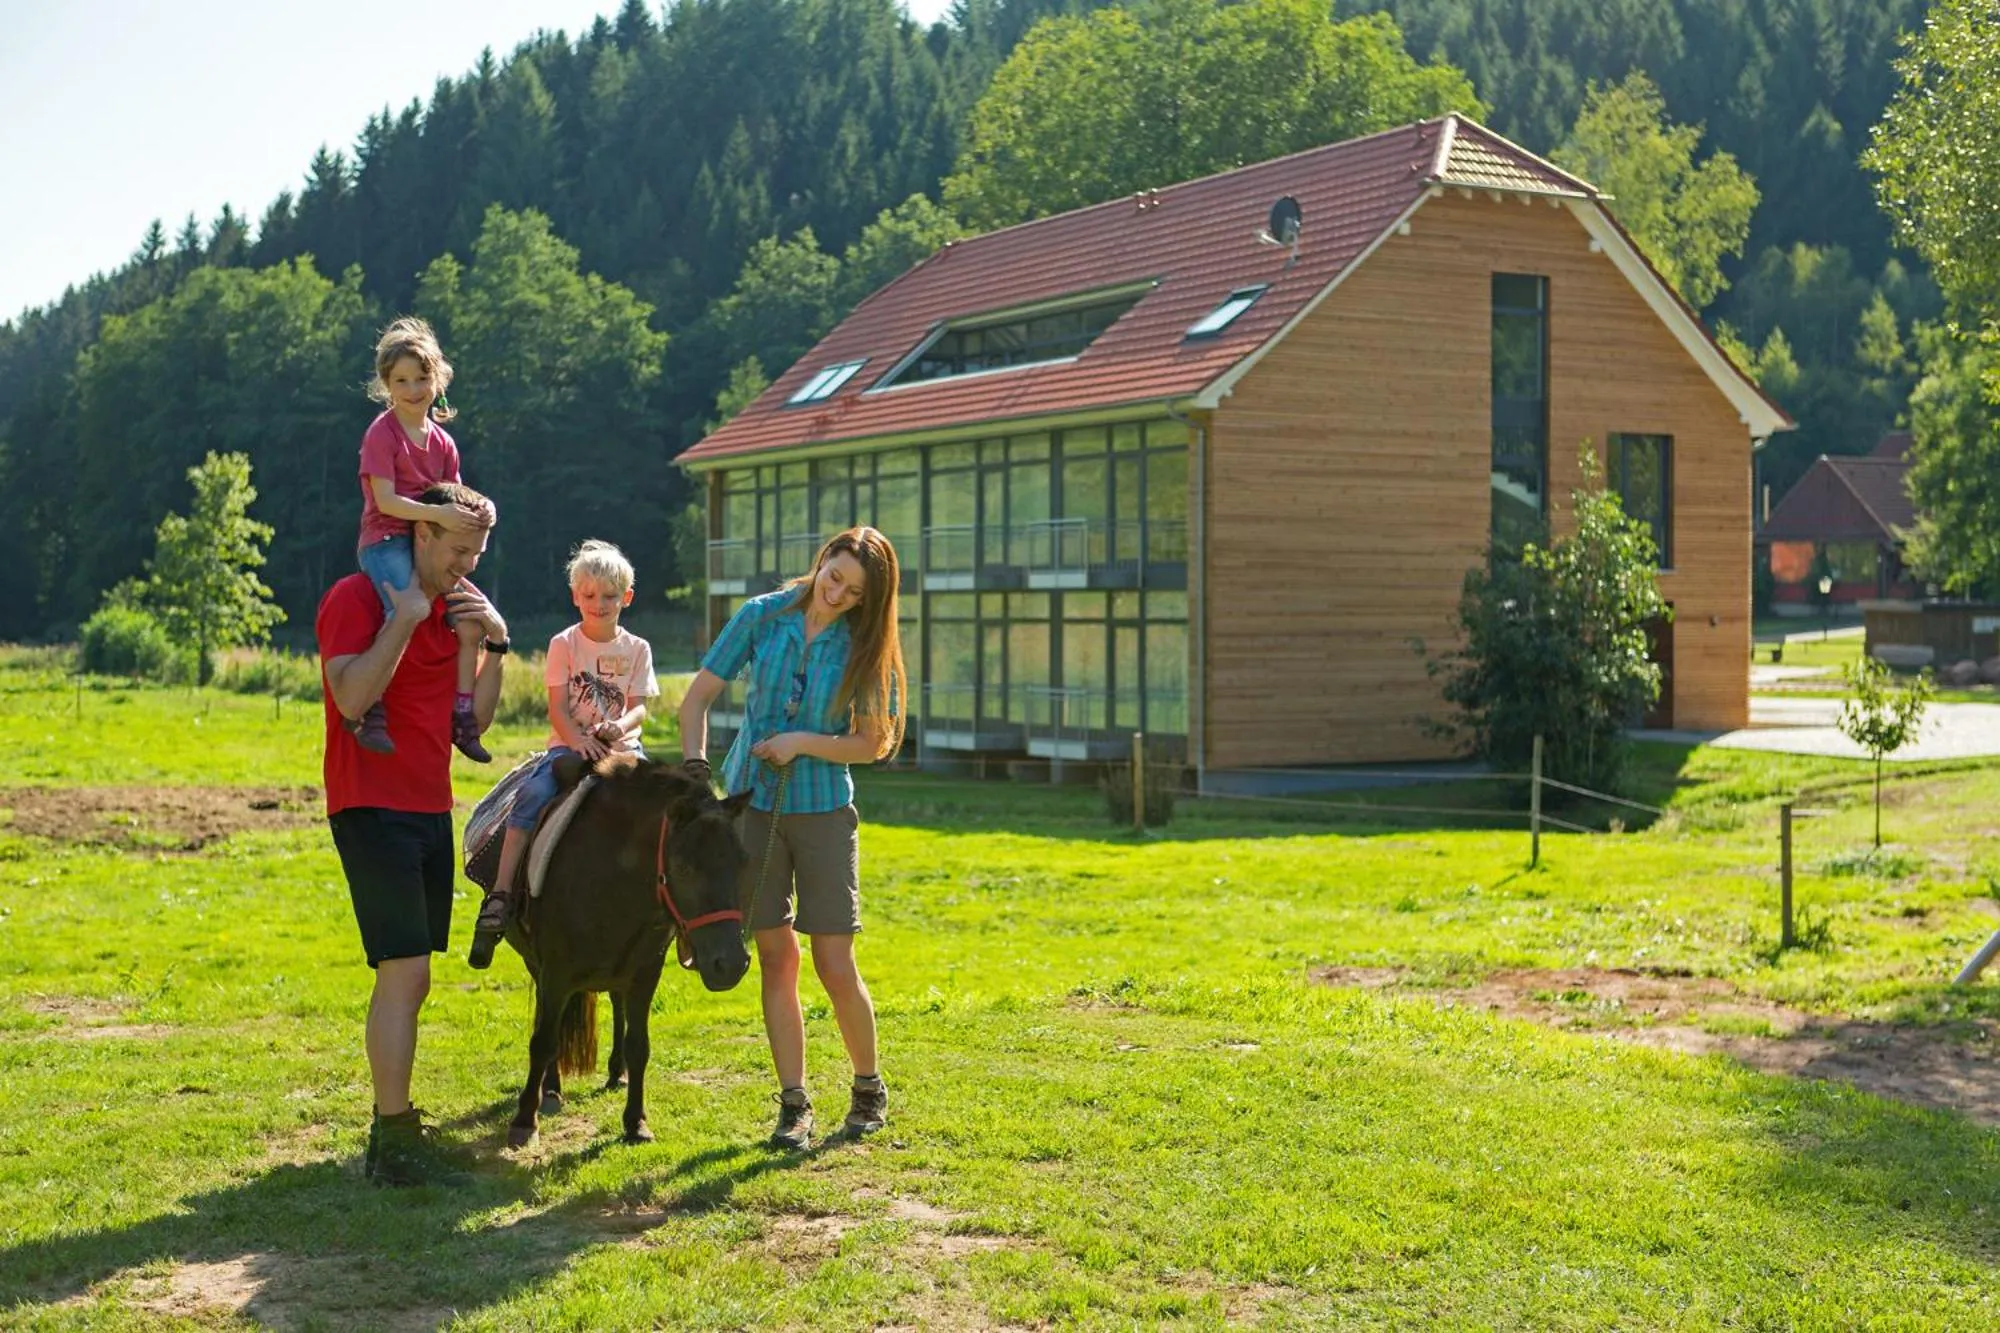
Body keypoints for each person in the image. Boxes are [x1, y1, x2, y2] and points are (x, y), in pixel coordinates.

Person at [678, 526, 906, 1150]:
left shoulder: (865, 644)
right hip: (752, 809)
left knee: (835, 962)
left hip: (824, 812)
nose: (837, 595)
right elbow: (696, 700)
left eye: (855, 593)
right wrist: (699, 775)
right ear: (822, 558)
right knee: (777, 958)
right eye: (834, 577)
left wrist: (801, 742)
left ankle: (867, 1086)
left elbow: (872, 742)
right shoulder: (762, 616)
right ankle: (793, 1103)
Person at [318, 480, 508, 1186]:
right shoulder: (357, 598)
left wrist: (497, 640)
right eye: (458, 547)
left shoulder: (457, 612)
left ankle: (392, 1127)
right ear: (420, 532)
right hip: (370, 803)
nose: (467, 563)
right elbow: (351, 698)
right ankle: (394, 1140)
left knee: (415, 975)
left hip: (430, 806)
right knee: (403, 970)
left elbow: (477, 725)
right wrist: (404, 616)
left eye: (478, 552)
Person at [467, 539, 661, 970]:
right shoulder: (564, 644)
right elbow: (557, 707)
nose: (599, 604)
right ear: (576, 596)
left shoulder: (638, 649)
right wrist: (579, 741)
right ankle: (499, 895)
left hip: (623, 750)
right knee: (532, 797)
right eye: (590, 596)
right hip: (569, 748)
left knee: (666, 811)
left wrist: (619, 727)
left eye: (610, 596)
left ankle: (675, 918)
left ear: (626, 598)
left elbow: (640, 706)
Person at [349, 316, 496, 762]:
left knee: (472, 619)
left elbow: (456, 497)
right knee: (407, 609)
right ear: (386, 386)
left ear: (438, 379)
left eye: (421, 378)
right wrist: (437, 513)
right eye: (402, 380)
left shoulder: (444, 443)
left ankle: (463, 716)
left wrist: (483, 509)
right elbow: (386, 500)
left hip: (428, 541)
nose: (413, 389)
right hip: (387, 540)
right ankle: (369, 707)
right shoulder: (382, 434)